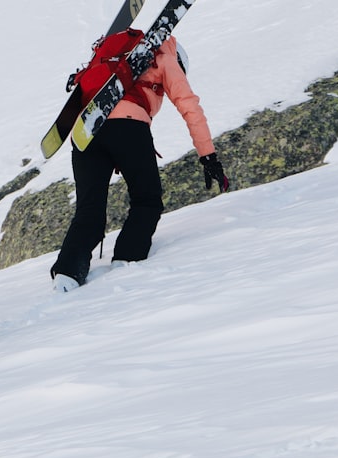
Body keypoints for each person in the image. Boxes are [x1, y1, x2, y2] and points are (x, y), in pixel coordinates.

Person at [51, 35, 229, 292]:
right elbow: (189, 106)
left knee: (89, 211)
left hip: (86, 131)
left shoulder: (110, 56)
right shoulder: (164, 57)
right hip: (129, 128)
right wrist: (208, 155)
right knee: (147, 200)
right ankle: (127, 261)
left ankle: (66, 275)